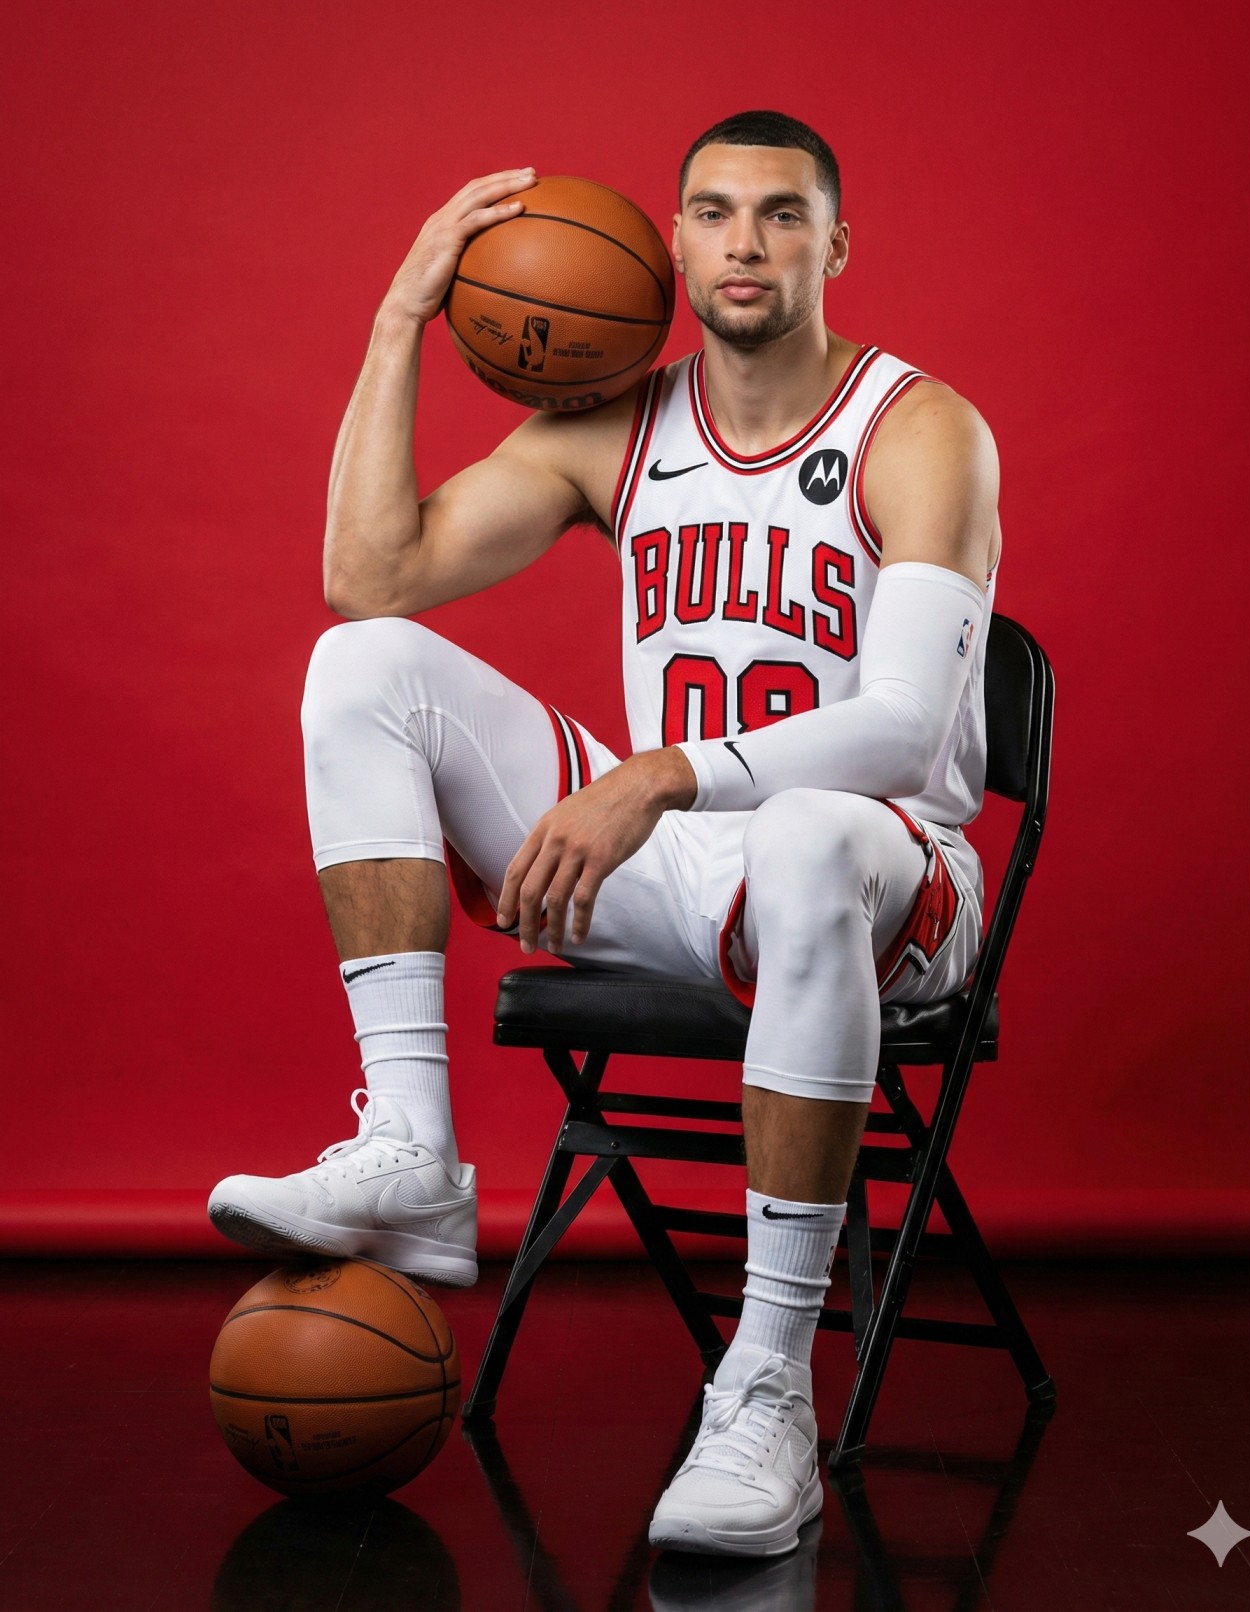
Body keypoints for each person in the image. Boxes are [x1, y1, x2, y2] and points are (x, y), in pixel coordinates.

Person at [209, 109, 1002, 1557]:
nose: (744, 242)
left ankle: (767, 1391)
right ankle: (414, 1151)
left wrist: (654, 778)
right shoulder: (618, 425)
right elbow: (364, 572)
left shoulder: (919, 425)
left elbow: (901, 726)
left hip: (892, 882)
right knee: (362, 666)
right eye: (712, 212)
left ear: (835, 242)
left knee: (819, 833)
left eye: (779, 214)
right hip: (699, 875)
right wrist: (402, 313)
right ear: (674, 241)